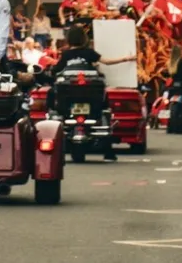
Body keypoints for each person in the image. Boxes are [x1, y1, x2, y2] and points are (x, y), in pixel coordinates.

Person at [50, 25, 134, 162]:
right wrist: (126, 59)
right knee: (104, 112)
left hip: (68, 98)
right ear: (84, 38)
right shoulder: (89, 53)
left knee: (52, 100)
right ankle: (109, 153)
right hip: (91, 97)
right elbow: (107, 62)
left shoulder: (66, 55)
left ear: (68, 39)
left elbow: (55, 71)